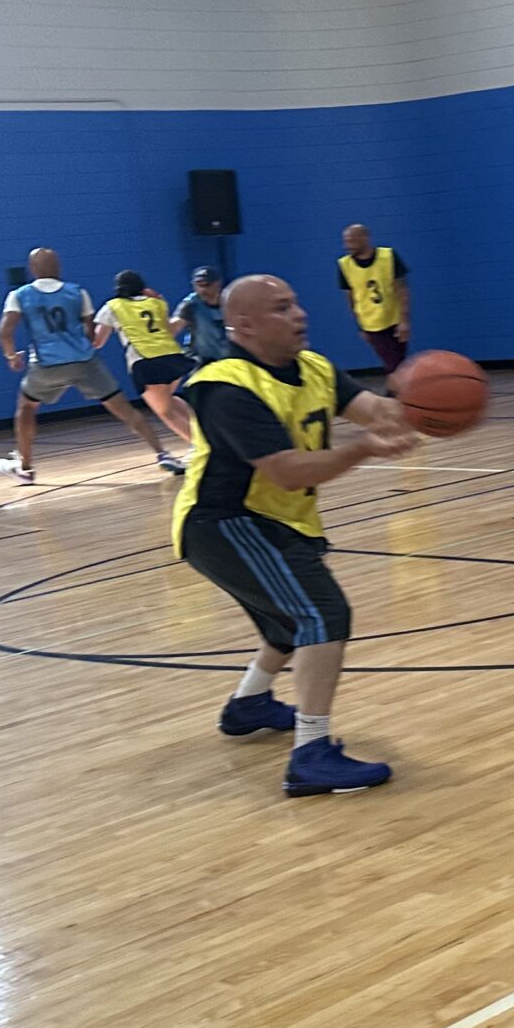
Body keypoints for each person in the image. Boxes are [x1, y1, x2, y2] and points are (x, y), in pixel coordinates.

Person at [173, 275, 422, 796]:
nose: (300, 314)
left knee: (289, 623)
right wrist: (360, 450)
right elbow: (286, 470)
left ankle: (249, 705)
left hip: (279, 520)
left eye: (297, 302)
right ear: (243, 324)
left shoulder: (314, 367)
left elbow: (374, 410)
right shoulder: (226, 385)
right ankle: (310, 755)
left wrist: (424, 405)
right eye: (282, 307)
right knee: (323, 614)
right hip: (225, 523)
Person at [0, 248, 184, 485]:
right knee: (125, 410)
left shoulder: (19, 295)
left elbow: (5, 331)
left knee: (26, 408)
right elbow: (90, 332)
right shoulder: (77, 292)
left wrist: (11, 356)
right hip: (85, 362)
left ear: (33, 269)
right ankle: (161, 453)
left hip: (47, 365)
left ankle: (26, 468)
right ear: (58, 267)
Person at [97, 270, 197, 447]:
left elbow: (98, 341)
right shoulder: (156, 303)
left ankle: (205, 449)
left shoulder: (113, 306)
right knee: (170, 400)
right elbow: (170, 330)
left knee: (165, 412)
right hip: (173, 356)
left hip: (146, 361)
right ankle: (207, 435)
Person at [337, 225, 410, 373]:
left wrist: (404, 321)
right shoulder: (344, 265)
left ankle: (397, 392)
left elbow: (402, 289)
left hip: (394, 318)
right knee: (393, 364)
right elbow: (350, 298)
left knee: (399, 362)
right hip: (371, 323)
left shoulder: (388, 256)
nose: (347, 246)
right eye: (346, 241)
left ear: (365, 238)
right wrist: (360, 326)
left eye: (352, 241)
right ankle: (400, 393)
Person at [171, 266, 235, 367]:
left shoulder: (231, 302)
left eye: (207, 285)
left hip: (229, 360)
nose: (203, 290)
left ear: (218, 284)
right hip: (201, 362)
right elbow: (175, 326)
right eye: (199, 285)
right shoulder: (190, 305)